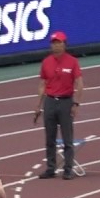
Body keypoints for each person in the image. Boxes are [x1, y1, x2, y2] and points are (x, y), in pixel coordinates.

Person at [32, 30, 83, 180]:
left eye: (59, 43)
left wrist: (76, 103)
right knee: (50, 138)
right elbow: (42, 84)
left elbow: (79, 84)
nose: (56, 46)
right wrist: (38, 105)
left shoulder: (72, 62)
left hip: (66, 102)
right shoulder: (46, 62)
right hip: (50, 102)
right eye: (53, 43)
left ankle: (68, 169)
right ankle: (51, 168)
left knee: (68, 138)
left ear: (64, 44)